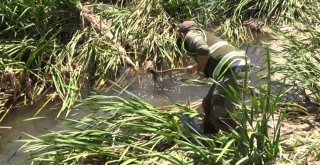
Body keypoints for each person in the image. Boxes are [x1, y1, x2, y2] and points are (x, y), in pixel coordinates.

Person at [177, 20, 249, 133]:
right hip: (232, 67)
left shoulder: (190, 35)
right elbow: (213, 54)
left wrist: (201, 69)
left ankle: (241, 141)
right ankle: (209, 133)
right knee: (207, 104)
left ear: (182, 33)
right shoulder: (203, 33)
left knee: (219, 117)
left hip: (232, 70)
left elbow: (203, 49)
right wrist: (196, 67)